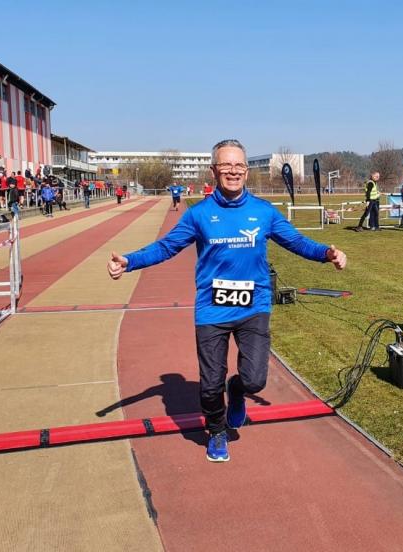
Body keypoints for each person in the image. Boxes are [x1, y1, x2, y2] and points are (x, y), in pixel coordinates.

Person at [107, 139, 347, 462]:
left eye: (238, 166)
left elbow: (296, 242)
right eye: (226, 165)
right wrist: (130, 261)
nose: (233, 171)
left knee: (254, 380)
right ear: (214, 170)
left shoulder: (263, 212)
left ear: (246, 171)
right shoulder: (199, 215)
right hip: (212, 309)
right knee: (209, 387)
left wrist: (326, 253)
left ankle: (237, 390)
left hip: (253, 306)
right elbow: (166, 247)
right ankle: (217, 431)